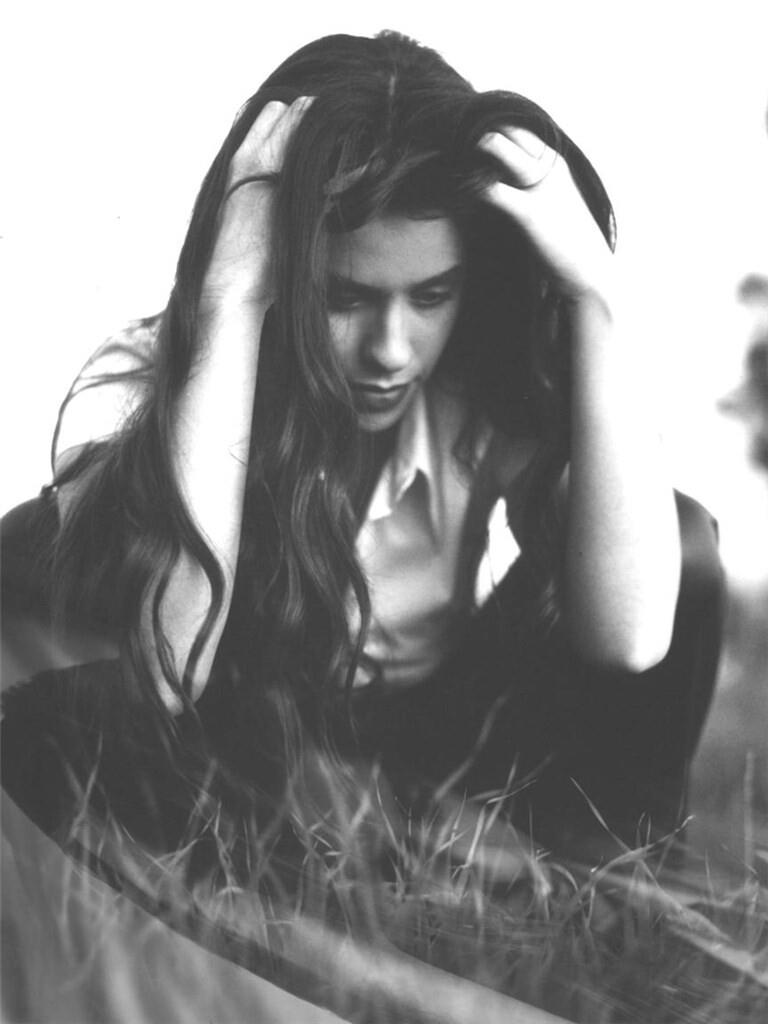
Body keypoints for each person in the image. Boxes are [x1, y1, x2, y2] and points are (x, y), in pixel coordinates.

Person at [1, 31, 723, 864]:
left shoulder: (479, 390)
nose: (391, 350)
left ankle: (604, 890)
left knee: (682, 539)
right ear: (281, 271)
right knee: (28, 544)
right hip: (238, 736)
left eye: (432, 296)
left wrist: (595, 292)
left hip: (434, 735)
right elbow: (169, 669)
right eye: (344, 298)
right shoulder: (143, 375)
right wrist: (232, 298)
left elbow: (630, 639)